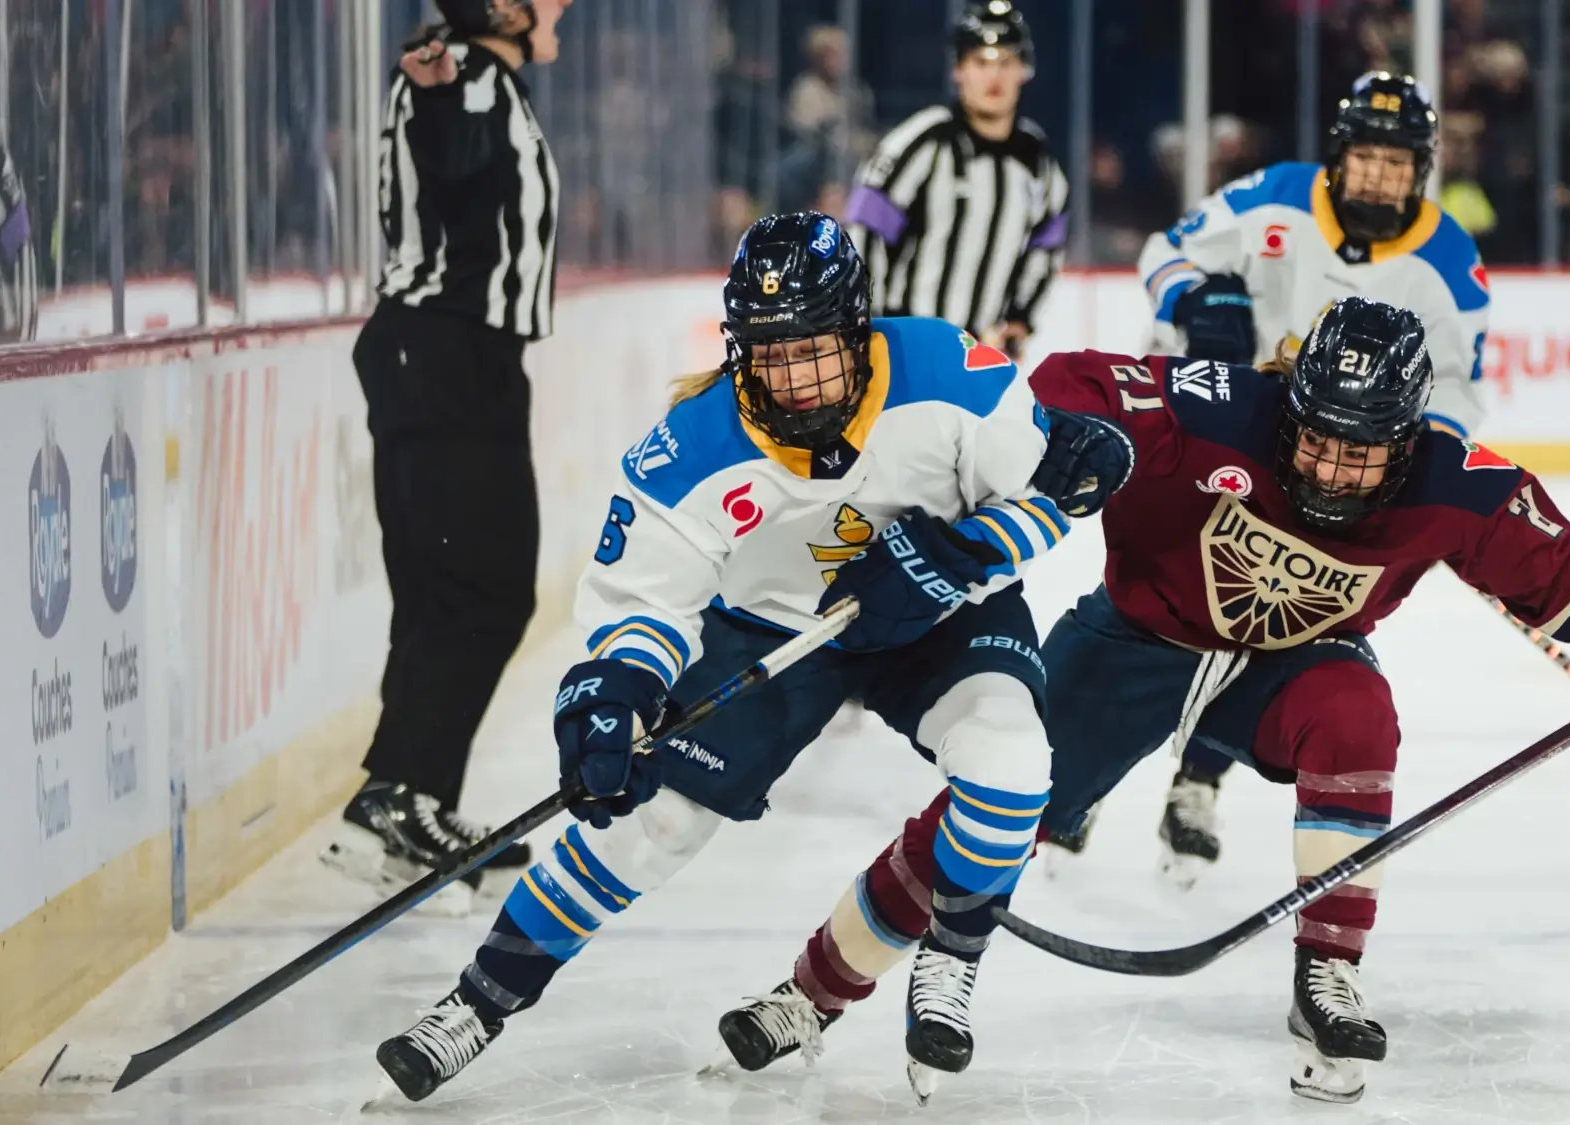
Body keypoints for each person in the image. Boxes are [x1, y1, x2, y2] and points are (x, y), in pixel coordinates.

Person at [730, 296, 1570, 1104]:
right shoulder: (1213, 405)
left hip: (1294, 664)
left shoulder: (1446, 477)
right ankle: (810, 991)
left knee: (1355, 716)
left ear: (1406, 439)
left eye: (1359, 453)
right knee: (993, 805)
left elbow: (1556, 556)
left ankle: (1325, 975)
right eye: (1316, 442)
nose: (1332, 468)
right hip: (1132, 641)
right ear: (1286, 406)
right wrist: (1074, 441)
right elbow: (1069, 382)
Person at [373, 212, 1101, 1104]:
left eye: (814, 350)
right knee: (653, 820)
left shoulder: (946, 371)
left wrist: (952, 557)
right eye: (770, 352)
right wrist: (614, 695)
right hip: (776, 629)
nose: (792, 378)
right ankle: (476, 1003)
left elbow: (1053, 486)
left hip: (945, 617)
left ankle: (951, 962)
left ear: (859, 330)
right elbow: (644, 603)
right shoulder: (693, 444)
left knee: (1014, 764)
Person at [1129, 71, 1492, 881]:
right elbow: (1166, 251)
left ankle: (1194, 780)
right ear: (1339, 154)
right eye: (1368, 158)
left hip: (1347, 473)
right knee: (1182, 604)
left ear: (1422, 173)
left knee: (1287, 618)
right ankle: (1094, 762)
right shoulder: (1276, 198)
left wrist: (1424, 459)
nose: (1380, 178)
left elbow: (1462, 383)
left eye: (1399, 165)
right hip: (1242, 441)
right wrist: (1195, 305)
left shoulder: (1448, 257)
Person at [321, 0, 568, 917]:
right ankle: (398, 796)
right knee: (482, 589)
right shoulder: (459, 72)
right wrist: (437, 96)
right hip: (446, 353)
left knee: (448, 589)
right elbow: (453, 159)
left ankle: (409, 800)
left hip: (453, 357)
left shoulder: (480, 77)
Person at [843, 1, 1070, 359]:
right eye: (981, 62)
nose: (993, 76)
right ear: (959, 70)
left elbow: (1046, 249)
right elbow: (864, 235)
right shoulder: (919, 143)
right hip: (905, 349)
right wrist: (870, 324)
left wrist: (1021, 317)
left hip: (981, 358)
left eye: (1006, 62)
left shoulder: (1039, 163)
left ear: (1024, 70)